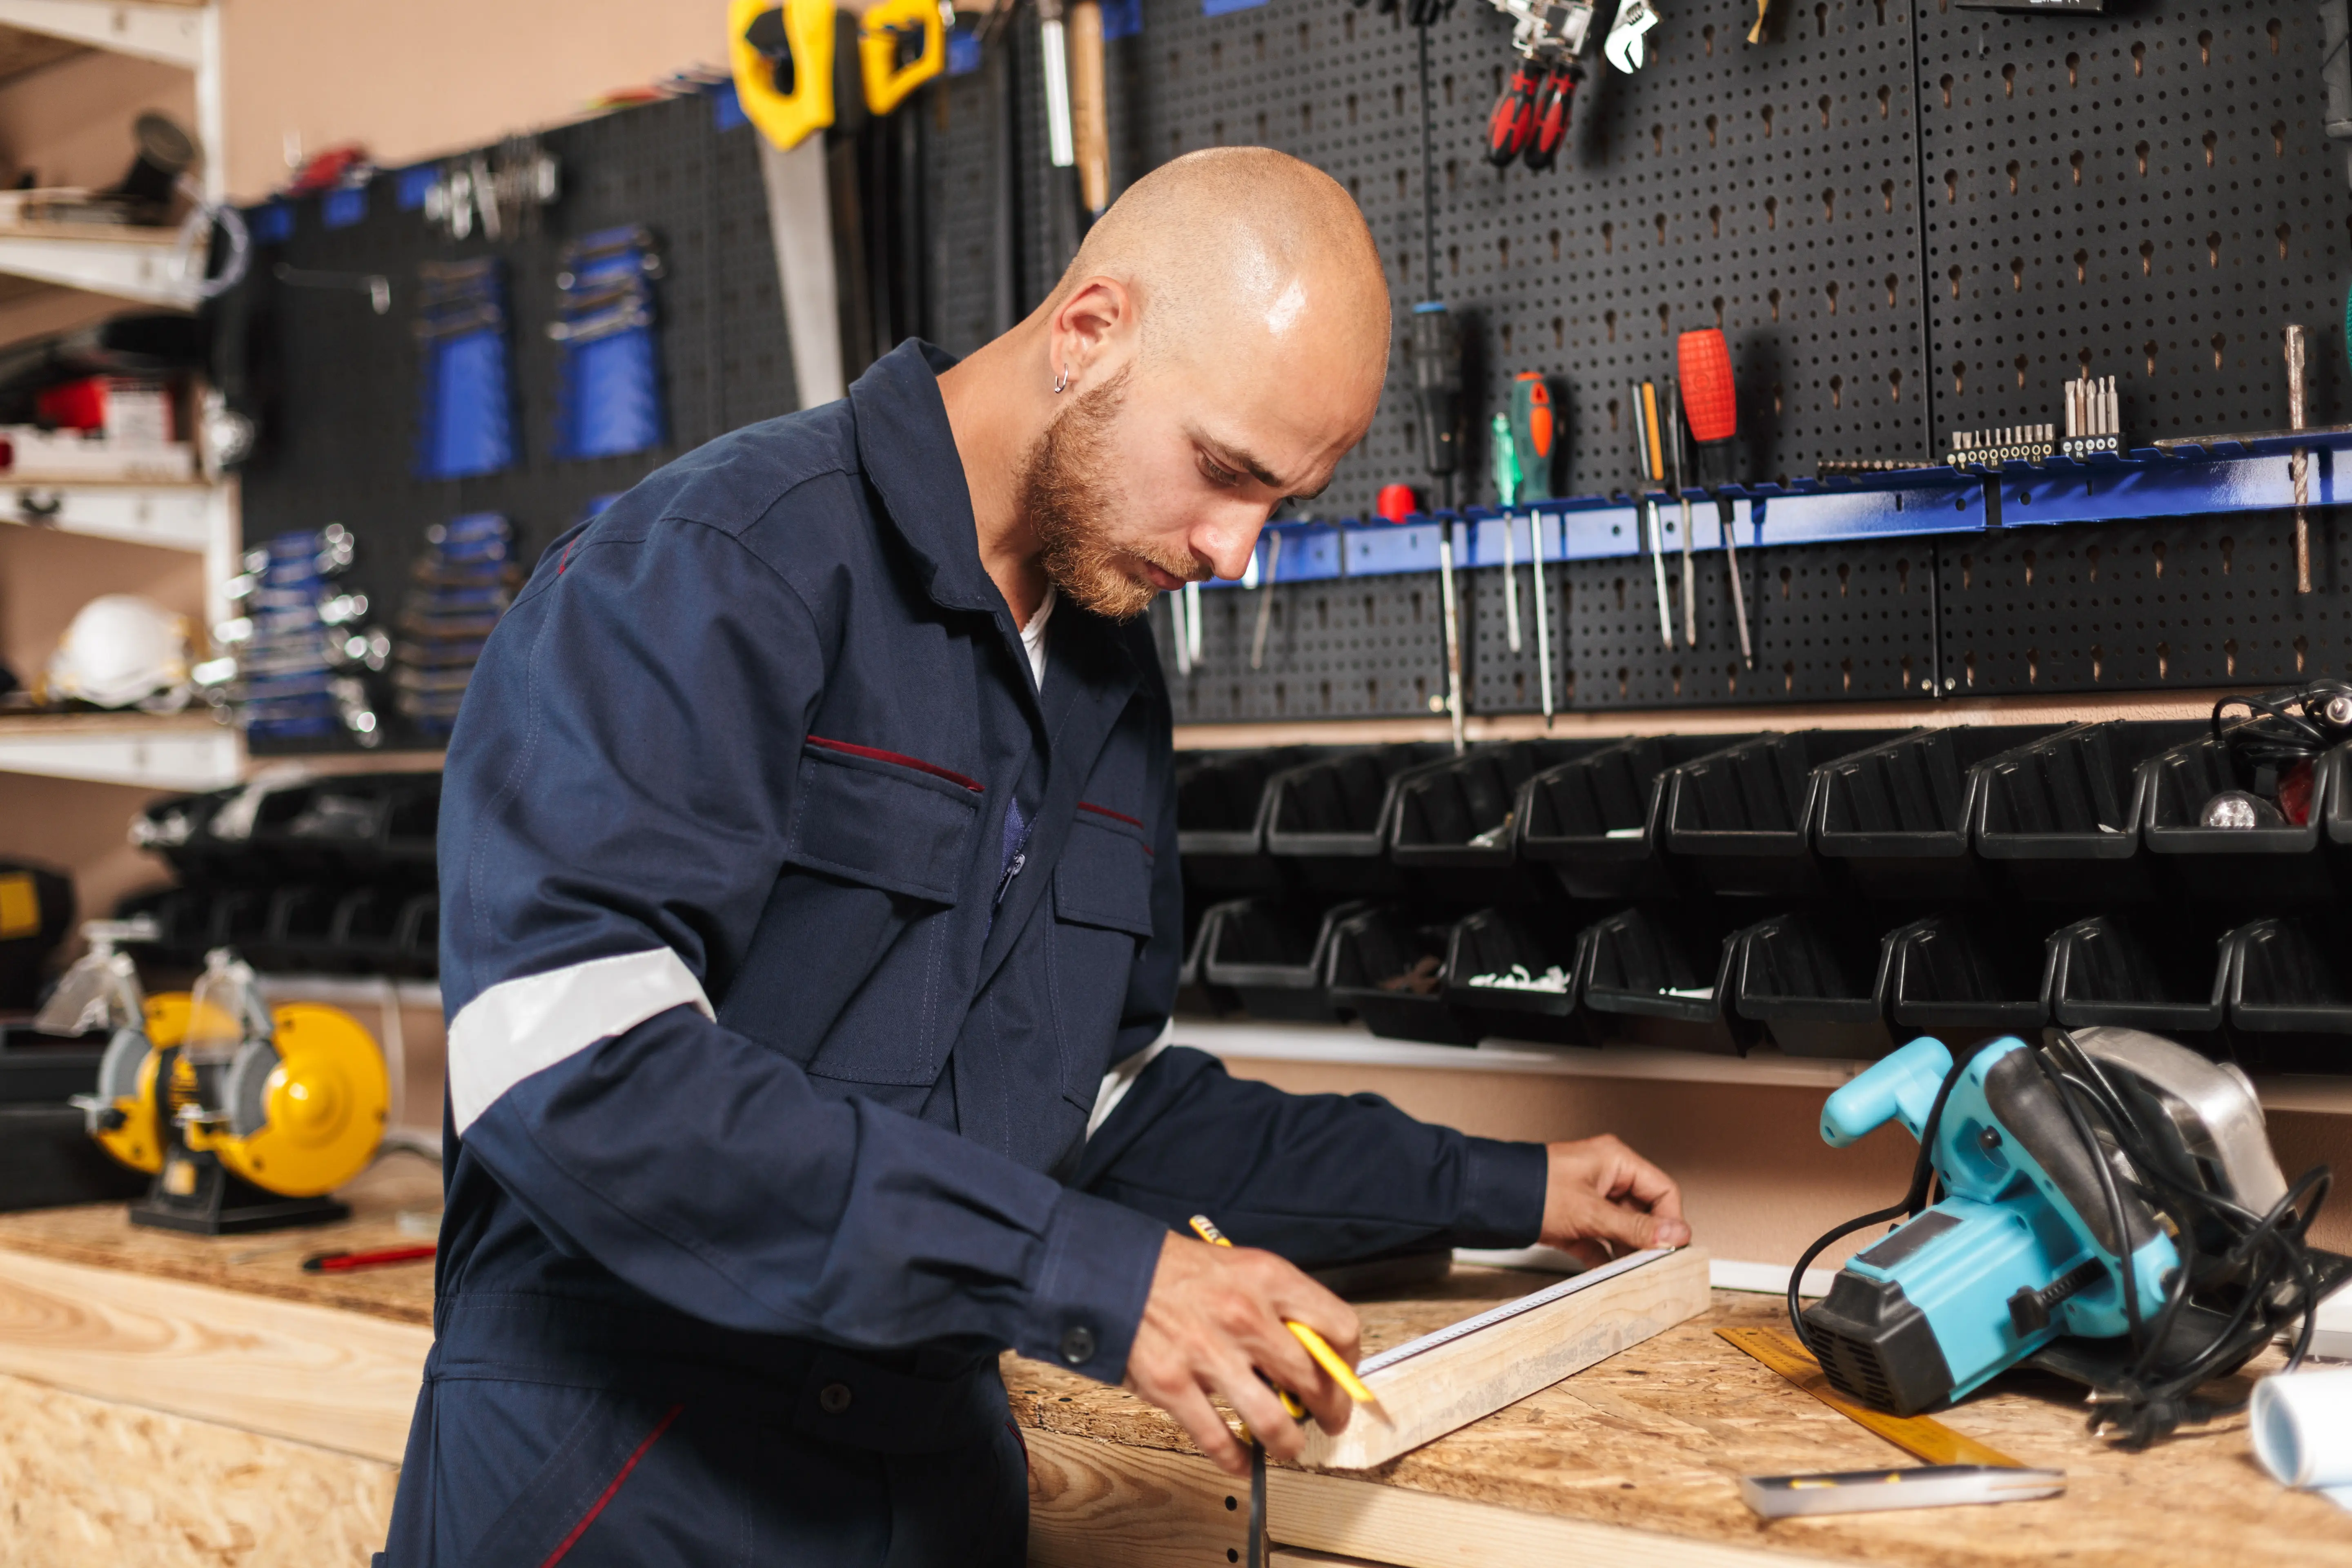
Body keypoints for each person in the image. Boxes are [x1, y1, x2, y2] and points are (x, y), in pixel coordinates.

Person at [378, 145, 1688, 1567]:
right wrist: (1094, 1281)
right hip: (625, 1496)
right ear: (1088, 334)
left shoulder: (1105, 674)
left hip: (924, 1506)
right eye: (1223, 471)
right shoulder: (714, 569)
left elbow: (1097, 1118)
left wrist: (1503, 1190)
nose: (1238, 552)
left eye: (1283, 503)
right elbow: (581, 1083)